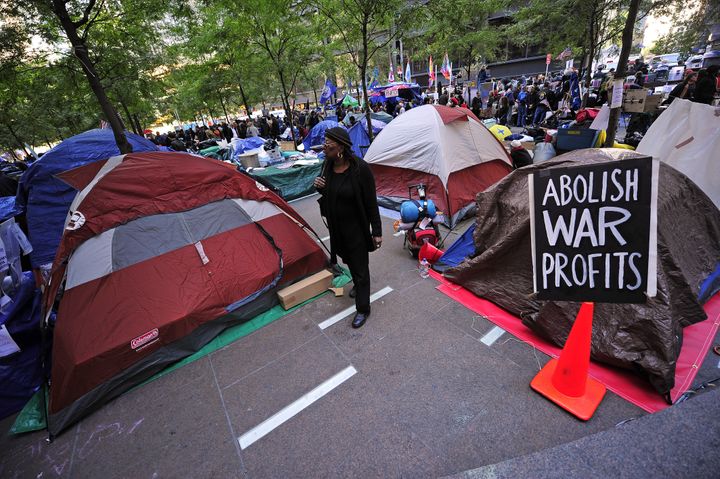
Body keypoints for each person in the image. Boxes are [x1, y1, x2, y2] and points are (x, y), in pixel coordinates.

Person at [313, 127, 382, 329]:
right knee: (348, 259)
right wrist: (319, 187)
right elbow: (327, 194)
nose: (324, 147)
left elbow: (371, 202)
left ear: (341, 147)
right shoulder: (328, 165)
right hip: (337, 227)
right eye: (324, 143)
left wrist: (376, 231)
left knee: (360, 267)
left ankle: (363, 308)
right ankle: (359, 286)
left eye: (328, 144)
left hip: (357, 228)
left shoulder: (360, 168)